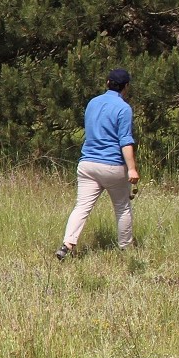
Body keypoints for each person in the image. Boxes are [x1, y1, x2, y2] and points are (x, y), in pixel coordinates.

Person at [56, 68, 139, 259]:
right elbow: (125, 140)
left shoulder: (93, 103)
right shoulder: (124, 108)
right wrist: (132, 169)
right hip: (111, 165)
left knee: (82, 207)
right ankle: (126, 249)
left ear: (107, 83)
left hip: (87, 163)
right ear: (126, 87)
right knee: (122, 207)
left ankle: (67, 244)